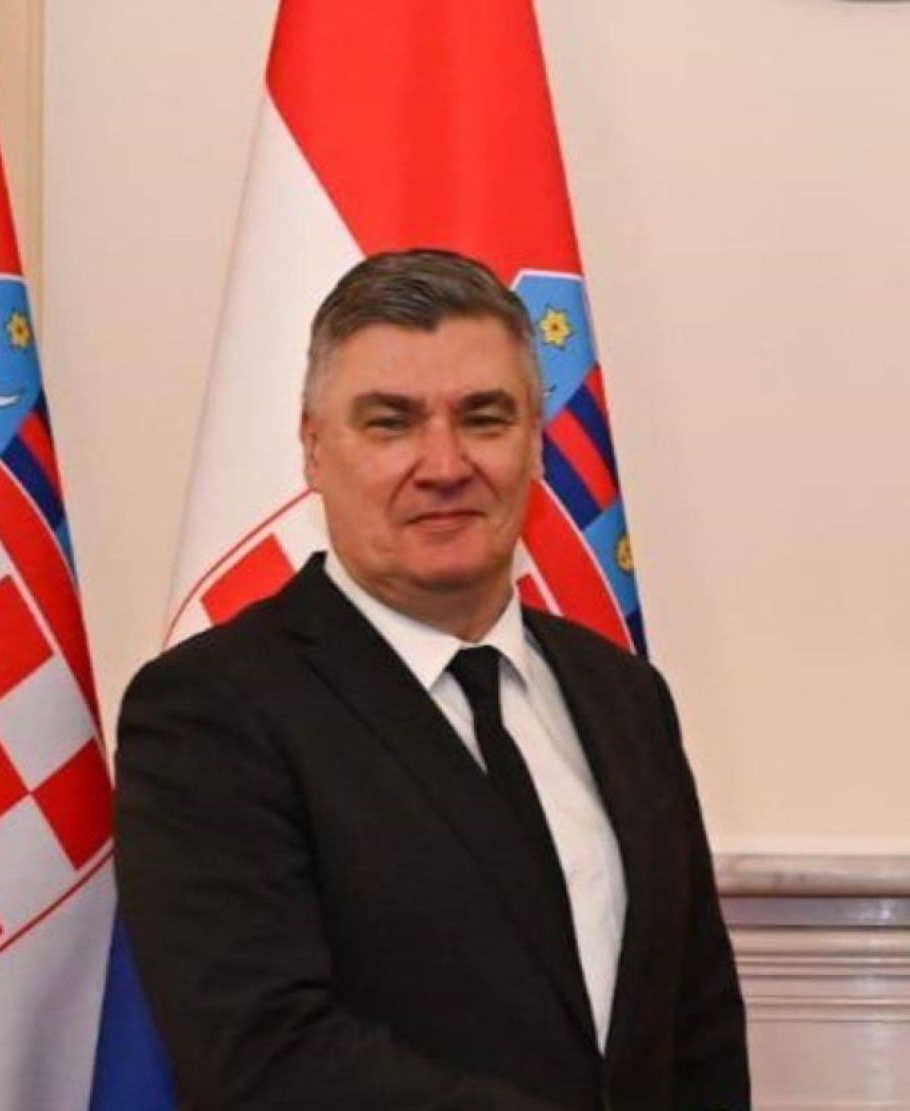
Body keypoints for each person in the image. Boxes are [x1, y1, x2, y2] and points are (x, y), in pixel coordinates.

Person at [115, 249, 750, 1110]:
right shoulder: (209, 711)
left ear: (536, 440)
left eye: (484, 418)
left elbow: (697, 1028)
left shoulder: (626, 697)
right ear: (313, 448)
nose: (445, 464)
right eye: (391, 423)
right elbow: (261, 1055)